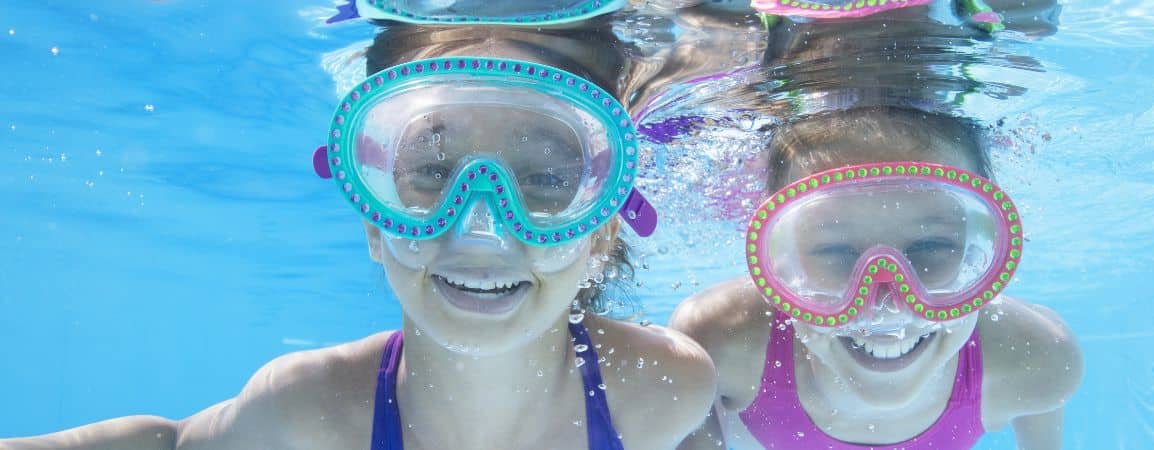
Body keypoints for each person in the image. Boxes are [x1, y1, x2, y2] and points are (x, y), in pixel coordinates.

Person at [1, 4, 717, 449]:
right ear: (370, 217)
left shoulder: (667, 390)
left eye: (546, 181)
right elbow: (174, 442)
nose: (481, 227)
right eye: (433, 173)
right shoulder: (310, 412)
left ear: (601, 230)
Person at [671, 105, 1082, 450]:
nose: (885, 303)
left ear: (984, 249)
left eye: (931, 247)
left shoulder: (1037, 360)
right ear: (780, 262)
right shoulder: (719, 344)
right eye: (834, 251)